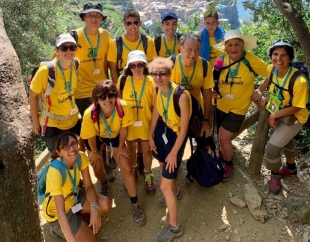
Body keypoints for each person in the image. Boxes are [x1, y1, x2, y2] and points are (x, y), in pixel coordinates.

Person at [80, 80, 146, 226]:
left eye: (111, 95)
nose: (107, 100)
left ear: (116, 95)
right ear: (96, 99)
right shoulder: (89, 114)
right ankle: (104, 183)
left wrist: (120, 147)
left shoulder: (123, 107)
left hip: (116, 136)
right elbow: (90, 136)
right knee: (96, 165)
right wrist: (94, 152)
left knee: (127, 169)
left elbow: (124, 128)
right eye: (102, 97)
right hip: (97, 137)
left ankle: (135, 203)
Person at [212, 29, 268, 181]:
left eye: (237, 44)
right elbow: (214, 78)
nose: (233, 48)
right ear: (225, 47)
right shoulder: (221, 59)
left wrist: (260, 89)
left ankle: (229, 164)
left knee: (223, 137)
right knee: (220, 135)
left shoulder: (250, 59)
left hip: (238, 108)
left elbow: (273, 72)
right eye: (229, 44)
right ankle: (224, 153)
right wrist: (213, 89)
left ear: (243, 46)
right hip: (219, 105)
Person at [107, 8, 157, 173]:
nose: (132, 26)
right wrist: (118, 86)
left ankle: (145, 169)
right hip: (127, 86)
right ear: (124, 24)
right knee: (132, 145)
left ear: (140, 23)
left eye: (135, 22)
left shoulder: (147, 42)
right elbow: (113, 68)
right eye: (129, 23)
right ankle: (135, 166)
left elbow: (151, 63)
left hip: (142, 86)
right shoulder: (117, 44)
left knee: (145, 145)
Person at [71, 1, 115, 184]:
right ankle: (99, 162)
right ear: (84, 17)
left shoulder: (106, 36)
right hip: (82, 93)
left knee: (104, 124)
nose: (94, 18)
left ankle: (106, 156)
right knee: (91, 127)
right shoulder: (75, 36)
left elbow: (109, 62)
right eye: (90, 15)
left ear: (101, 18)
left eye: (97, 15)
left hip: (102, 90)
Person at [148, 57, 191, 242]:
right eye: (154, 74)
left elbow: (185, 128)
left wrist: (174, 153)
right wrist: (151, 134)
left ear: (169, 74)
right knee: (163, 164)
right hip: (162, 130)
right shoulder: (158, 89)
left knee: (164, 184)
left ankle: (174, 227)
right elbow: (157, 111)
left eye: (162, 73)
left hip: (176, 137)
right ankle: (176, 193)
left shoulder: (181, 96)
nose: (158, 77)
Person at [259, 40, 308, 194]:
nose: (278, 58)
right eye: (275, 54)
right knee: (285, 140)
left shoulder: (299, 81)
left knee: (272, 148)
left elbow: (298, 106)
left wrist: (274, 115)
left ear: (290, 58)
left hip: (295, 115)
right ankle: (292, 168)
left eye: (283, 55)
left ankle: (275, 175)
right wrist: (262, 93)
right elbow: (269, 80)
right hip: (279, 107)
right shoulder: (271, 69)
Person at [42, 131, 111, 241]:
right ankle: (57, 228)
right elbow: (60, 212)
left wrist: (94, 207)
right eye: (66, 147)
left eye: (73, 143)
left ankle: (79, 221)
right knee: (90, 240)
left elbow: (88, 186)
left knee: (105, 204)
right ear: (59, 153)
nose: (72, 149)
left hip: (74, 200)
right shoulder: (55, 171)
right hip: (59, 213)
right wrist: (71, 240)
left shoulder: (81, 157)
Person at [29, 34, 81, 156]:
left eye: (72, 47)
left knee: (74, 154)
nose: (69, 51)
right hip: (51, 125)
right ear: (57, 51)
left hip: (72, 121)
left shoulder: (75, 64)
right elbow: (33, 96)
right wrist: (35, 122)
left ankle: (73, 175)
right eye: (64, 48)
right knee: (57, 156)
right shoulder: (46, 71)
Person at [117, 50, 155, 195]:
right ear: (129, 67)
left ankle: (148, 173)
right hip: (129, 123)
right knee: (131, 148)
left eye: (140, 65)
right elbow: (118, 102)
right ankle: (132, 169)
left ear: (145, 66)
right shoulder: (123, 80)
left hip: (146, 122)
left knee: (146, 150)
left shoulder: (150, 81)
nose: (137, 68)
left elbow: (154, 105)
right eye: (133, 66)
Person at [170, 34, 214, 139]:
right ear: (180, 49)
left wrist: (206, 120)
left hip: (195, 111)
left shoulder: (204, 65)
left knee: (203, 144)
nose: (193, 54)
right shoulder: (170, 64)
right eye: (189, 50)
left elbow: (208, 95)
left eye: (197, 50)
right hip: (174, 113)